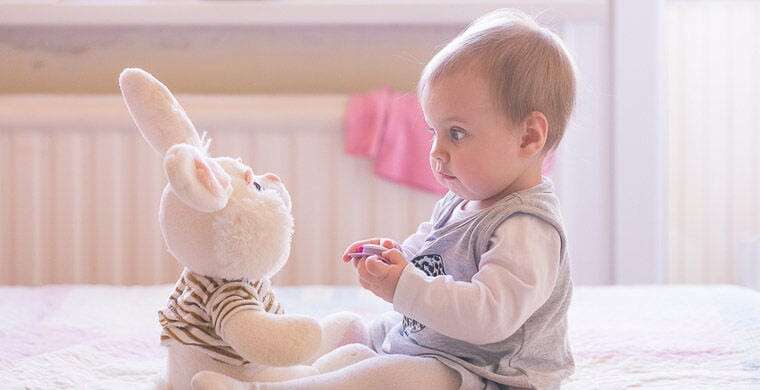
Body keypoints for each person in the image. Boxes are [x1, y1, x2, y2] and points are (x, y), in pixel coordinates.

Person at [198, 8, 577, 390]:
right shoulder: (463, 199)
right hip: (434, 346)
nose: (437, 152)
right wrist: (397, 258)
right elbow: (433, 254)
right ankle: (270, 368)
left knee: (388, 376)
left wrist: (404, 287)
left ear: (529, 137)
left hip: (487, 373)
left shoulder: (527, 227)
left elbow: (490, 315)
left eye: (457, 133)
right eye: (434, 131)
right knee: (353, 338)